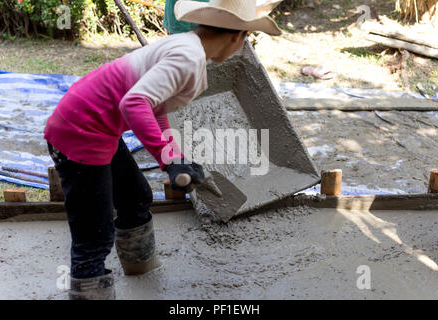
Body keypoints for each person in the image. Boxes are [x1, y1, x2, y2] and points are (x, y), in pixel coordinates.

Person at [44, 0, 282, 300]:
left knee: (135, 197)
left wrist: (174, 157)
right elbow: (134, 103)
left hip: (96, 125)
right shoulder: (187, 58)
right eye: (248, 38)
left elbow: (155, 105)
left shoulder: (187, 47)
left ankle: (139, 265)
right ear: (238, 36)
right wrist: (168, 160)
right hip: (79, 132)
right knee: (94, 235)